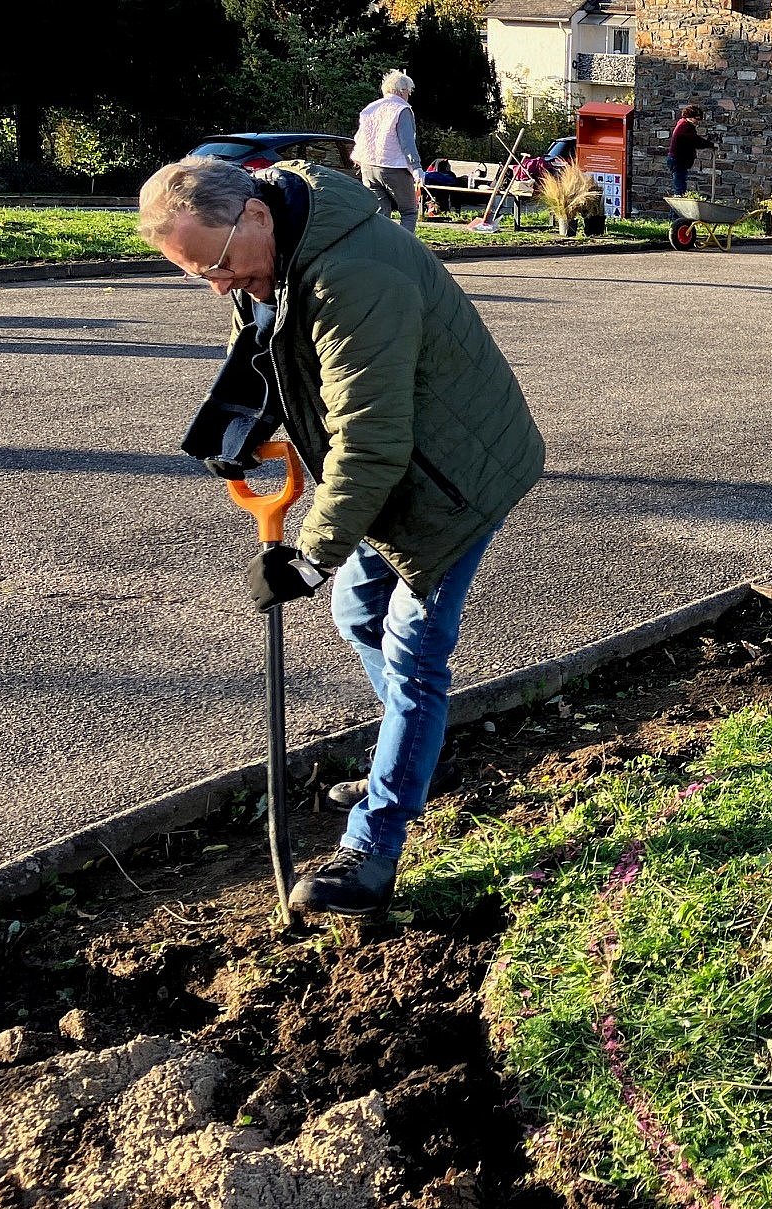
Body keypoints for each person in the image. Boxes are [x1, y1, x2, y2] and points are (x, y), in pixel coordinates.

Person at [138, 155, 544, 918]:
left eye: (218, 265)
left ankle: (375, 847)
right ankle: (413, 753)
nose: (219, 285)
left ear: (253, 216)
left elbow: (372, 444)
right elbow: (267, 350)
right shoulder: (269, 248)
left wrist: (310, 557)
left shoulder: (354, 275)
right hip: (396, 471)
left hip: (452, 478)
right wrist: (235, 426)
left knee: (412, 651)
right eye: (199, 276)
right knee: (358, 612)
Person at [352, 69, 425, 232]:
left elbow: (360, 137)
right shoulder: (401, 109)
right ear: (402, 91)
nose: (409, 95)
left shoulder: (371, 108)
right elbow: (407, 142)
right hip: (393, 166)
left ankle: (380, 251)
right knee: (409, 211)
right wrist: (417, 167)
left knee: (380, 215)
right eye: (409, 91)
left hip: (368, 166)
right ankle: (403, 251)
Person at [666, 104, 715, 196]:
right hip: (678, 160)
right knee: (679, 190)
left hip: (679, 160)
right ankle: (677, 210)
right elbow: (695, 140)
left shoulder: (685, 125)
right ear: (690, 117)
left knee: (680, 187)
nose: (698, 122)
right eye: (697, 118)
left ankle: (678, 208)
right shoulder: (684, 127)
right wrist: (711, 145)